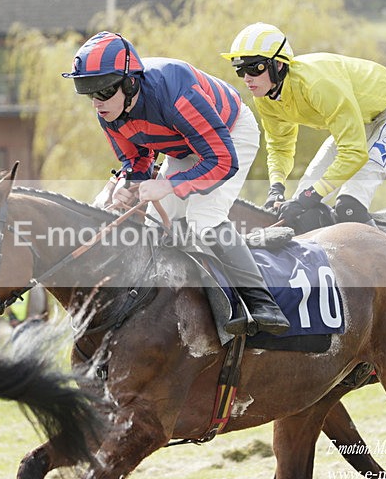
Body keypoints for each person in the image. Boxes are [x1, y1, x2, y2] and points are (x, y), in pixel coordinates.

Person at [62, 31, 289, 337]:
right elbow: (138, 160)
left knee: (202, 218)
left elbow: (222, 161)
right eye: (89, 94)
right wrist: (127, 185)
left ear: (130, 83)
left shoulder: (176, 93)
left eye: (102, 92)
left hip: (230, 137)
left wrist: (169, 186)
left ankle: (264, 304)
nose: (96, 104)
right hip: (183, 145)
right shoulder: (110, 111)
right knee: (155, 226)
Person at [222, 22, 386, 230]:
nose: (247, 78)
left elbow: (354, 152)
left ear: (278, 65)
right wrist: (276, 188)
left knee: (349, 207)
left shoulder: (317, 85)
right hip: (356, 121)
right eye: (240, 70)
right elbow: (280, 147)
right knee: (301, 213)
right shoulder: (265, 97)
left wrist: (311, 195)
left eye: (255, 68)